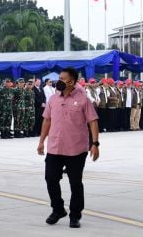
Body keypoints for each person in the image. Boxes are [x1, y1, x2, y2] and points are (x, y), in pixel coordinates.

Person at [37, 68, 99, 228]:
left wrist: (95, 144)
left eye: (63, 78)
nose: (59, 81)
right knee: (50, 178)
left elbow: (93, 121)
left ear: (71, 81)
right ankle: (58, 209)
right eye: (59, 78)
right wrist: (41, 141)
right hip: (55, 147)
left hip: (76, 149)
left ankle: (75, 215)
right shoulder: (53, 99)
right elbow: (47, 121)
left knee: (75, 183)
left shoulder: (83, 99)